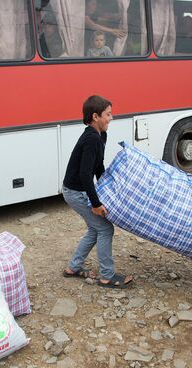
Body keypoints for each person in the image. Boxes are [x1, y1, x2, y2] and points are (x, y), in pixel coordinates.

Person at [62, 95, 133, 289]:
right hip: (74, 192)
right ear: (95, 116)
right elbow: (85, 175)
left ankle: (74, 267)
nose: (111, 117)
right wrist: (96, 204)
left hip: (77, 191)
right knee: (105, 228)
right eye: (108, 114)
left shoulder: (100, 135)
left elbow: (98, 164)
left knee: (95, 228)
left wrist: (107, 189)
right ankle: (107, 276)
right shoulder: (91, 138)